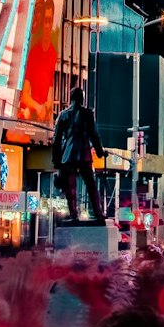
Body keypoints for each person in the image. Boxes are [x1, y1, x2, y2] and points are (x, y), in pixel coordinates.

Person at [53, 87, 107, 224]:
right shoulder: (87, 113)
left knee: (70, 187)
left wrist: (56, 159)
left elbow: (56, 139)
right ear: (82, 98)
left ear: (71, 98)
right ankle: (98, 214)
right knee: (91, 184)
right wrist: (100, 152)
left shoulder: (63, 115)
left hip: (68, 154)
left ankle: (74, 215)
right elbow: (94, 135)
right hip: (83, 153)